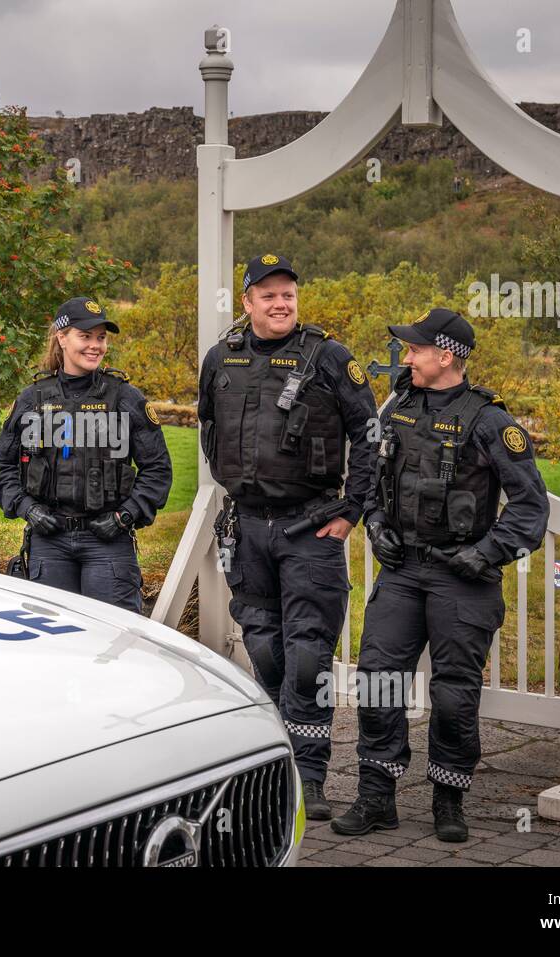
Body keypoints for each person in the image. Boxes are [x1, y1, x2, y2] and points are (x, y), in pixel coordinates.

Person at [333, 307, 548, 842]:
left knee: (454, 692)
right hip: (403, 571)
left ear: (444, 355)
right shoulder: (399, 405)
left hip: (462, 577)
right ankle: (376, 796)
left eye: (413, 349)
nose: (405, 357)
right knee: (378, 680)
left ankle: (448, 799)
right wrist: (377, 523)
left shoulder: (490, 421)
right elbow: (377, 480)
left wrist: (488, 552)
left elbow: (530, 507)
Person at [198, 253, 379, 821]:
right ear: (247, 302)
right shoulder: (221, 358)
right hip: (248, 528)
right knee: (263, 647)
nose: (281, 304)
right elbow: (208, 427)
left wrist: (352, 508)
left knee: (307, 657)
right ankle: (274, 760)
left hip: (311, 529)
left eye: (289, 295)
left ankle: (311, 775)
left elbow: (369, 435)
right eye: (269, 295)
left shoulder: (329, 358)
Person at [0, 296, 171, 613]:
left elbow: (157, 470)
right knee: (53, 642)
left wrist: (123, 517)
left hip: (108, 544)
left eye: (101, 337)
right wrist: (27, 508)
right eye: (85, 336)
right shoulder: (32, 399)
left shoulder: (125, 398)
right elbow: (5, 469)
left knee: (114, 644)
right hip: (49, 543)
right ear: (61, 338)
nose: (96, 346)